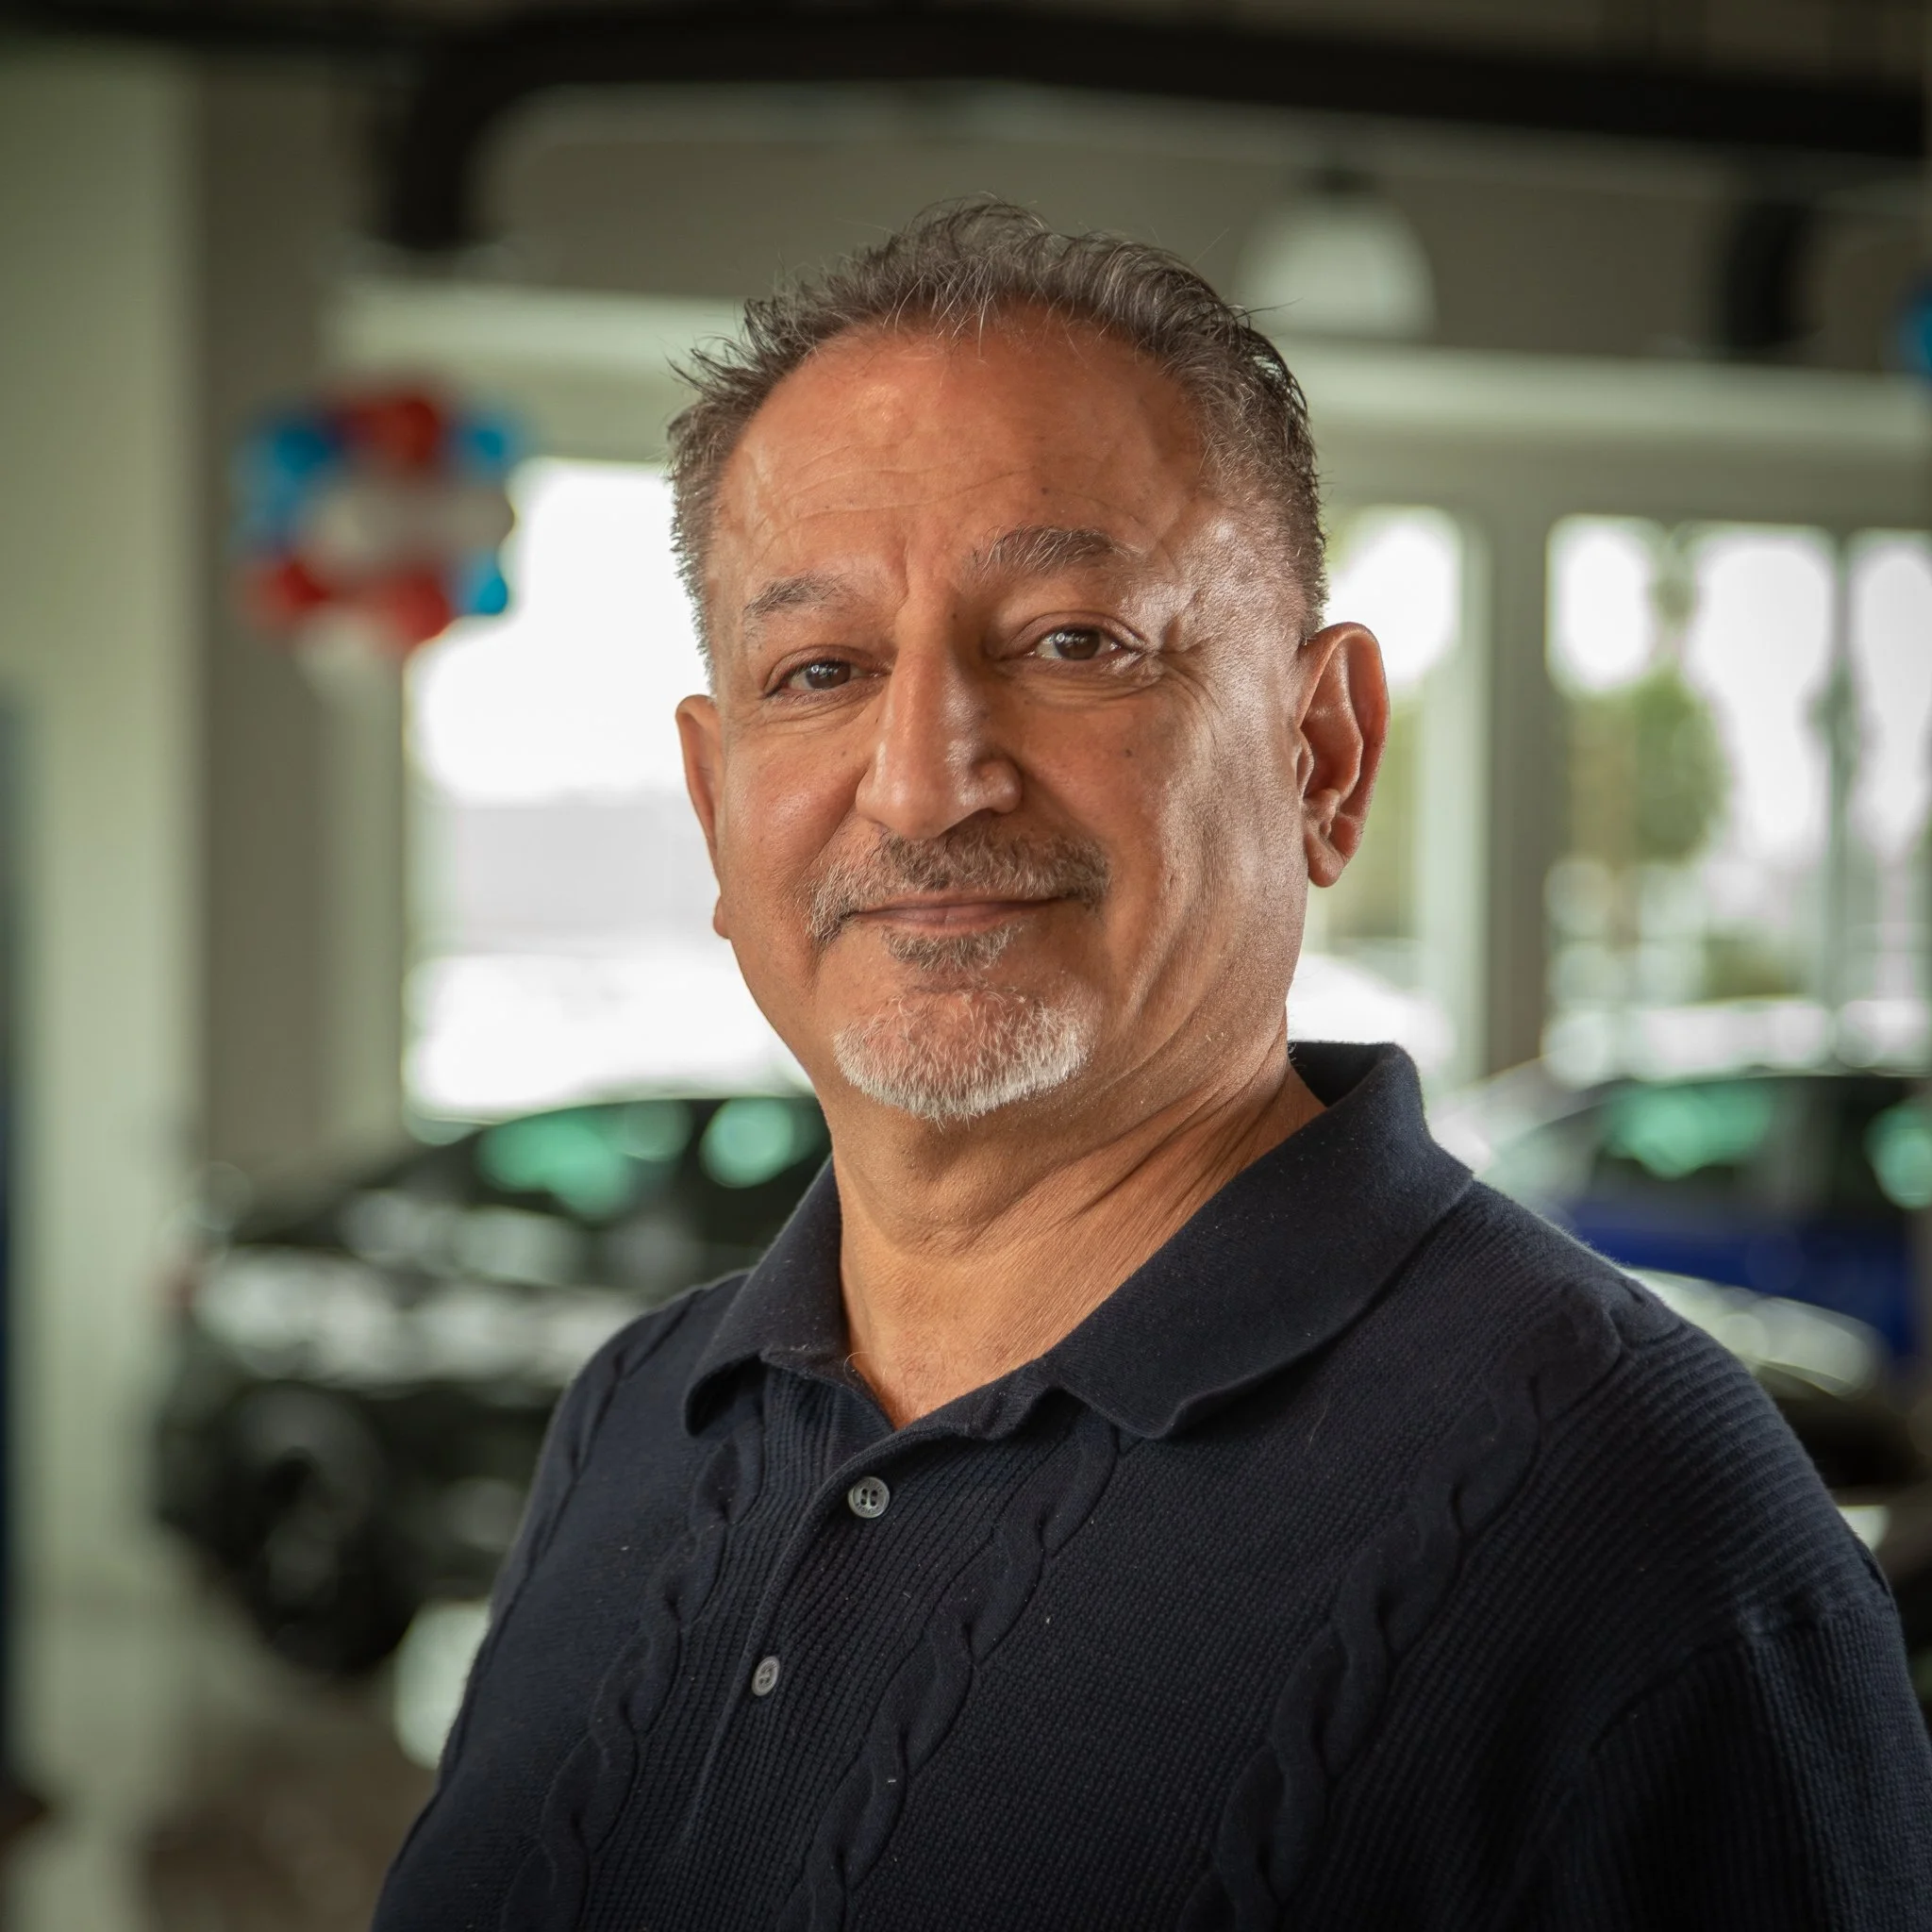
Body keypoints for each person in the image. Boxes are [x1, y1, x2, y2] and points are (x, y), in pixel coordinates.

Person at [375, 203, 1932, 1931]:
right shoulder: (637, 1415)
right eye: (819, 670)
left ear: (1322, 752)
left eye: (1072, 643)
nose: (921, 782)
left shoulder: (1646, 1523)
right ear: (714, 805)